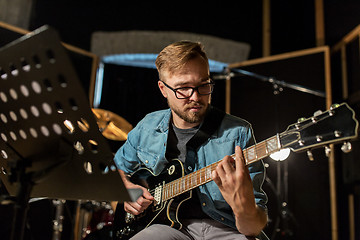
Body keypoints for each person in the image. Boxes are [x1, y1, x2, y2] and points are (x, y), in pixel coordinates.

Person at [113, 41, 268, 240]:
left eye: (203, 85)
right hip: (168, 228)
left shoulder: (238, 132)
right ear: (163, 89)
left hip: (228, 229)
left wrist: (243, 208)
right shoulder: (148, 126)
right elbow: (116, 168)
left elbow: (252, 229)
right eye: (183, 88)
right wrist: (127, 189)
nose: (195, 96)